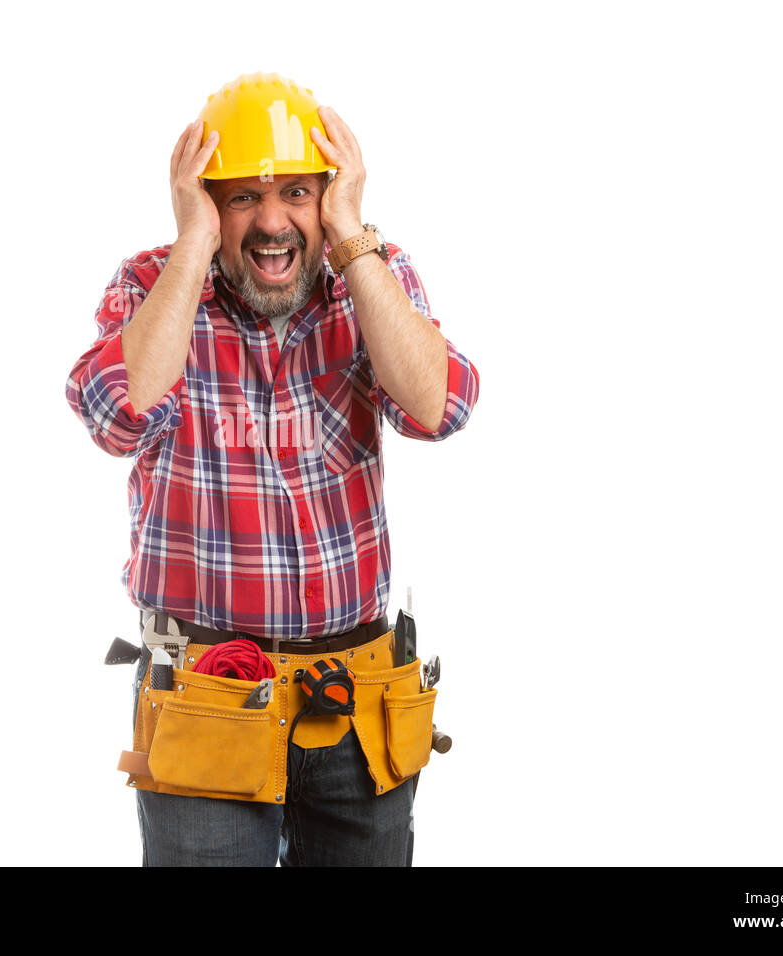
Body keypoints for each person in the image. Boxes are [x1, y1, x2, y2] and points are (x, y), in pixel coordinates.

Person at [65, 73, 479, 866]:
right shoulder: (151, 285)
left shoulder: (371, 278)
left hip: (356, 705)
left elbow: (441, 409)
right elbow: (117, 417)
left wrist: (353, 236)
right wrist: (191, 249)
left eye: (295, 191)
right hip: (206, 696)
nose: (271, 221)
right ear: (201, 201)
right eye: (240, 197)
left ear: (330, 194)